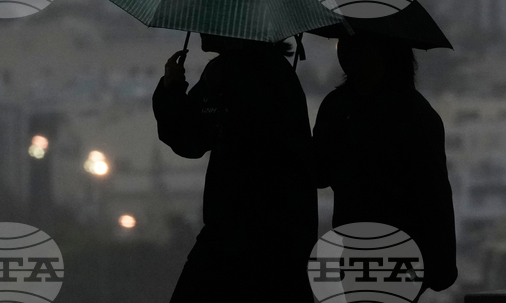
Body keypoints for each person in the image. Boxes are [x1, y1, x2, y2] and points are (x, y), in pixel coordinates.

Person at [152, 33, 318, 303]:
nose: (202, 29)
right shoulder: (275, 72)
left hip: (235, 232)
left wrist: (172, 90)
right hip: (282, 236)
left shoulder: (228, 74)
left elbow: (191, 140)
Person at [313, 33, 457, 295]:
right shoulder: (340, 107)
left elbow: (433, 194)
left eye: (358, 42)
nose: (345, 49)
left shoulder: (410, 114)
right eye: (344, 39)